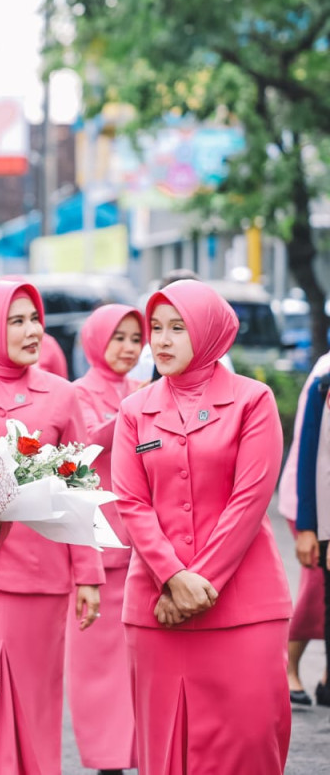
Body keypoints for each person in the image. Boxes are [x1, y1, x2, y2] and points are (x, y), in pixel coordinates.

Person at [113, 279, 292, 774]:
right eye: (156, 329)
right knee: (168, 748)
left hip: (244, 606)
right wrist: (171, 578)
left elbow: (251, 499)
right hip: (157, 609)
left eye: (178, 328)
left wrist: (197, 583)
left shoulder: (253, 401)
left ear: (210, 333)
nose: (162, 341)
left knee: (250, 740)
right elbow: (132, 502)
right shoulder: (134, 411)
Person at [0, 280, 103, 775]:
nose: (33, 329)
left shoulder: (62, 394)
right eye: (17, 320)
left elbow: (81, 487)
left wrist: (89, 575)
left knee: (35, 702)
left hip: (40, 573)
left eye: (36, 318)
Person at [65, 304, 144, 774]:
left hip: (141, 541)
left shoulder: (140, 390)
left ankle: (139, 752)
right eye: (119, 338)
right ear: (95, 340)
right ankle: (107, 758)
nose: (128, 348)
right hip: (97, 540)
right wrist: (133, 411)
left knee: (137, 661)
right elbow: (83, 447)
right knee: (97, 665)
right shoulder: (78, 392)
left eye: (136, 339)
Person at [280, 350, 330, 706]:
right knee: (316, 590)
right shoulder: (325, 373)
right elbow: (311, 452)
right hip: (312, 501)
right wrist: (310, 526)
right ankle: (286, 666)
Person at [295, 353, 330, 719]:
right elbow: (311, 459)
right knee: (316, 598)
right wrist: (310, 528)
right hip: (323, 519)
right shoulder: (325, 381)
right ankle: (292, 672)